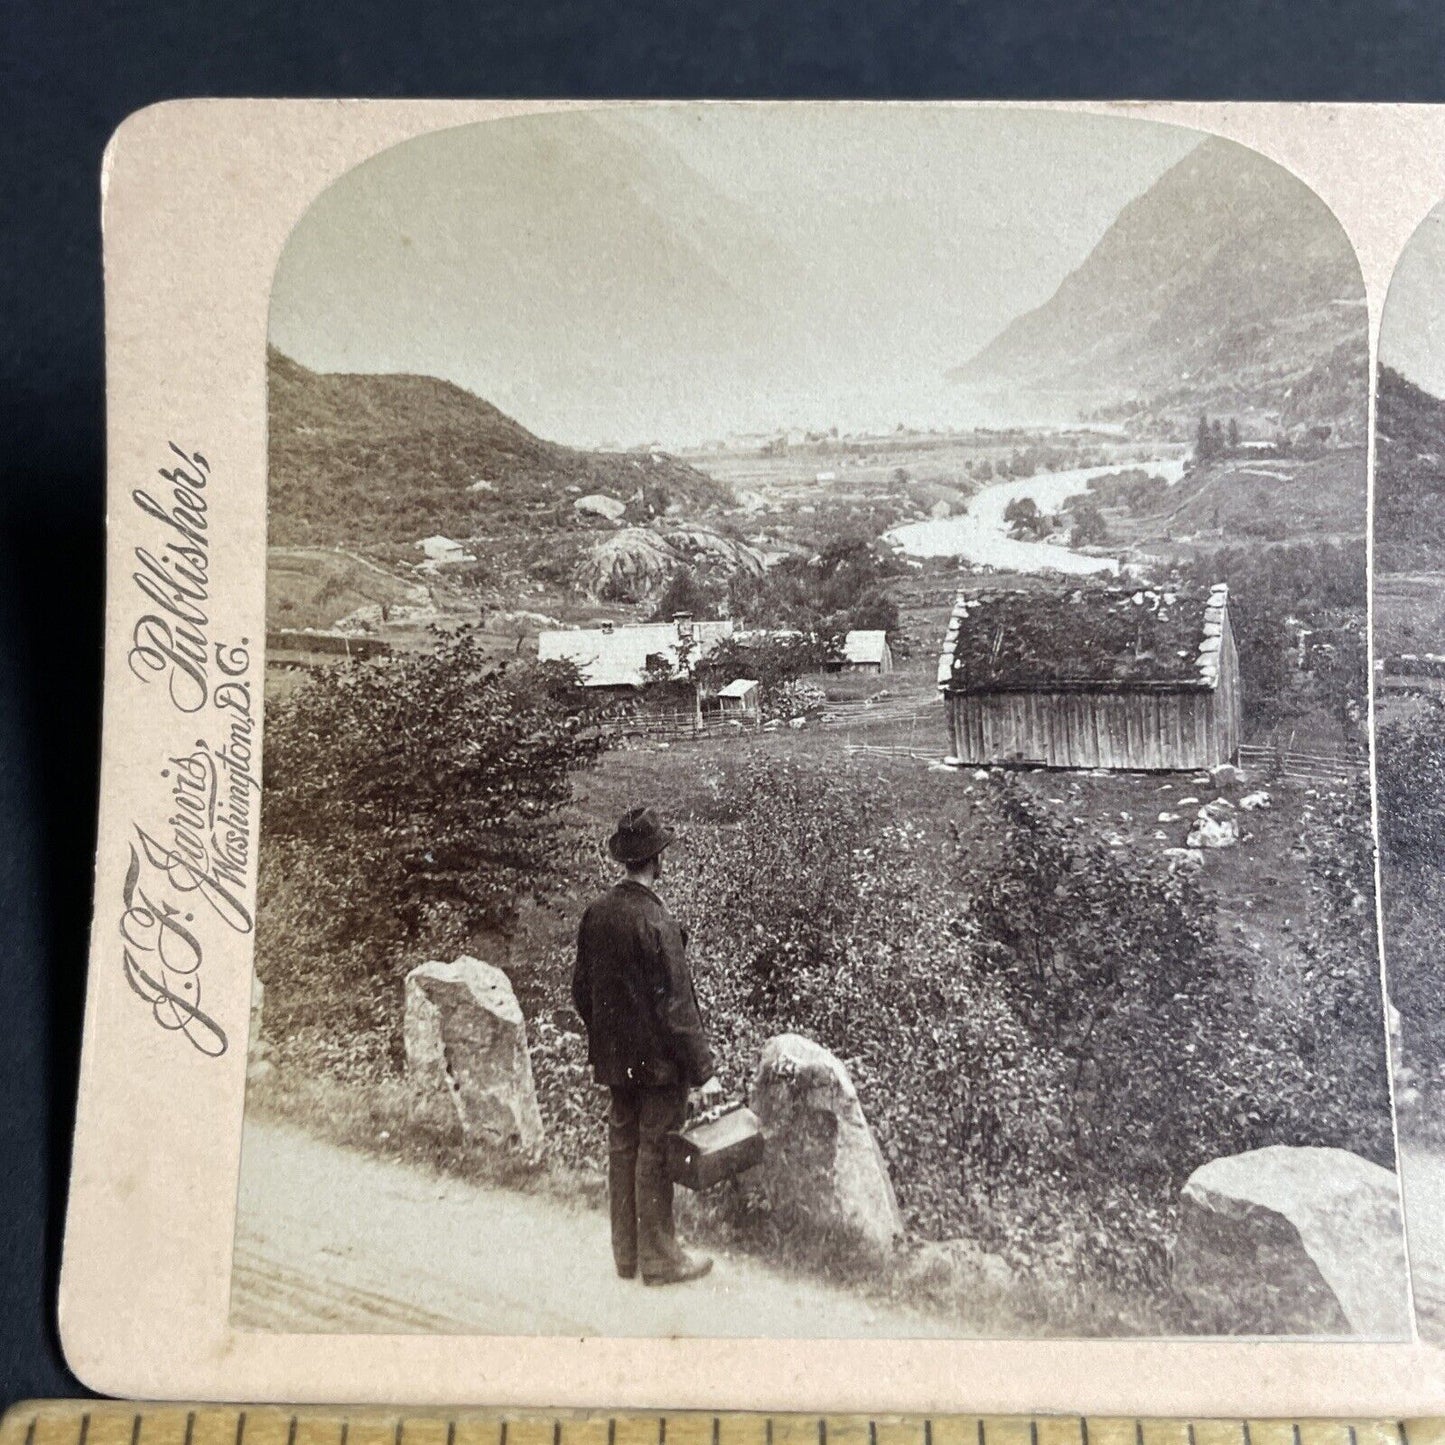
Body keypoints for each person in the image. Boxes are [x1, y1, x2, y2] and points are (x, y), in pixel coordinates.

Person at [572, 805, 722, 1286]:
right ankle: (660, 1259)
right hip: (658, 1068)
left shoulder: (597, 914)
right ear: (656, 861)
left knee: (623, 1147)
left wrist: (609, 1037)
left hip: (616, 1064)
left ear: (624, 860)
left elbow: (581, 990)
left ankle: (627, 1256)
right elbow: (678, 1010)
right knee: (655, 1152)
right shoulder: (658, 923)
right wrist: (705, 1071)